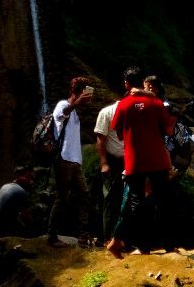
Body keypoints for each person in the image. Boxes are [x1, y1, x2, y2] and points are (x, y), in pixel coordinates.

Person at [106, 74, 176, 259]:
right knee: (162, 202)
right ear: (145, 86)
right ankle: (169, 246)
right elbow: (169, 130)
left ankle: (139, 245)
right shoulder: (157, 104)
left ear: (128, 84)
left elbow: (118, 132)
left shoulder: (123, 104)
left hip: (134, 160)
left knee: (136, 203)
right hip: (157, 160)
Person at [47, 76, 96, 247]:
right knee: (62, 197)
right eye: (85, 92)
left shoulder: (75, 112)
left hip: (75, 161)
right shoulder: (63, 105)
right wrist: (76, 103)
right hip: (63, 159)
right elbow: (59, 116)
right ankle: (52, 236)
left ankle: (83, 236)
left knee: (85, 195)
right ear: (78, 92)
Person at [95, 67, 140, 240]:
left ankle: (125, 239)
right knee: (111, 200)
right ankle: (108, 238)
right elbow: (100, 139)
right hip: (113, 162)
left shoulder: (137, 112)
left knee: (130, 200)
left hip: (132, 161)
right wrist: (104, 163)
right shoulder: (107, 112)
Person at [0, 166, 37, 236]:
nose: (30, 181)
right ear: (17, 176)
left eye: (32, 179)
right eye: (28, 177)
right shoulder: (21, 191)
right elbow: (26, 218)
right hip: (5, 228)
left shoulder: (5, 186)